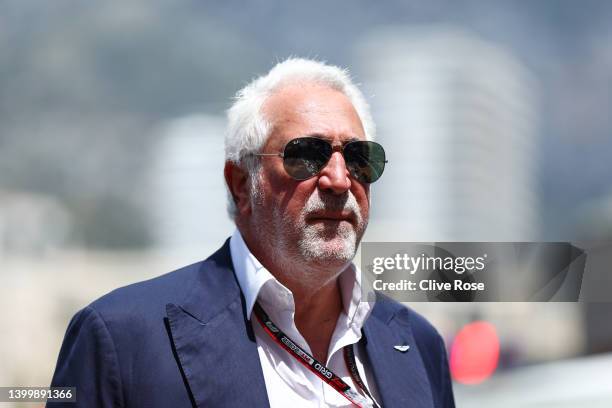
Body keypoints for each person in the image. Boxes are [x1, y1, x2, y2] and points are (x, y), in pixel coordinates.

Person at [49, 58, 455, 408]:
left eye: (358, 158)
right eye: (306, 155)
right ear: (242, 183)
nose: (338, 179)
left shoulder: (418, 344)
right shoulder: (122, 337)